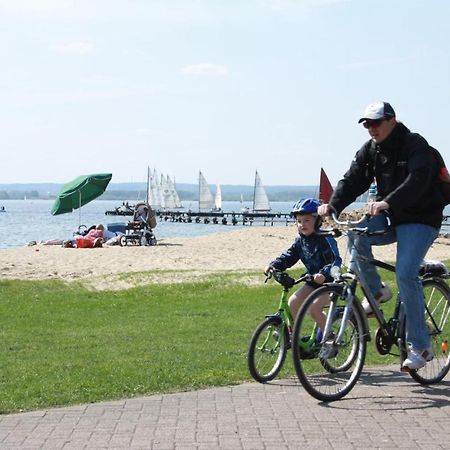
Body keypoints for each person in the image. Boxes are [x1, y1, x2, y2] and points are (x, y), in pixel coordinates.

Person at [318, 101, 445, 370]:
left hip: (421, 218)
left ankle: (421, 347)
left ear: (392, 121)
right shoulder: (371, 150)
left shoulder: (415, 145)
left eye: (375, 123)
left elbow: (418, 180)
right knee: (357, 237)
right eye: (367, 124)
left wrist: (388, 201)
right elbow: (352, 179)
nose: (371, 129)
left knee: (405, 273)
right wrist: (333, 205)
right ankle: (376, 292)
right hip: (392, 216)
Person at [264, 198, 342, 331]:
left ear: (317, 221)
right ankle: (296, 339)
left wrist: (324, 274)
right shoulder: (300, 241)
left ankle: (330, 337)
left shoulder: (326, 238)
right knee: (293, 303)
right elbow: (289, 256)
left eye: (307, 220)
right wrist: (274, 265)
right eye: (299, 221)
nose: (302, 224)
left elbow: (335, 260)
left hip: (331, 282)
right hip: (312, 281)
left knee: (314, 309)